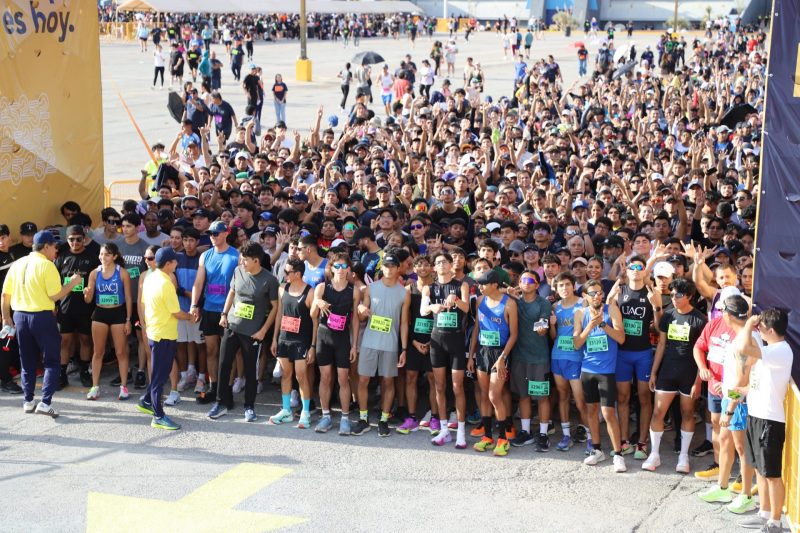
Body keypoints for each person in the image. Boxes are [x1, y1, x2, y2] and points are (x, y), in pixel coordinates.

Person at [1, 231, 83, 417]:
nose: (56, 250)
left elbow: (5, 294)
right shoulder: (47, 265)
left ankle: (28, 401)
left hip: (20, 316)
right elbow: (55, 295)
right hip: (42, 317)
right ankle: (45, 402)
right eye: (54, 247)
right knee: (52, 361)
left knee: (27, 360)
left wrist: (6, 317)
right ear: (46, 246)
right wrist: (73, 282)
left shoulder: (18, 263)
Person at [734, 309, 793, 532]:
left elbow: (743, 348)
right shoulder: (768, 351)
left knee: (772, 474)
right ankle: (765, 513)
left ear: (771, 330)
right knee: (759, 469)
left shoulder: (781, 351)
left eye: (761, 328)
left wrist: (749, 324)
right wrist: (732, 395)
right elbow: (752, 385)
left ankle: (775, 522)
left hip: (770, 421)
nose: (758, 331)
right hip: (756, 416)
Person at [207, 242, 278, 422]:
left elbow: (275, 307)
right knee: (224, 365)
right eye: (241, 259)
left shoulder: (269, 280)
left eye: (245, 260)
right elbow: (231, 292)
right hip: (232, 326)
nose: (242, 262)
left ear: (256, 260)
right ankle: (221, 402)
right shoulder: (238, 271)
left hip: (252, 332)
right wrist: (224, 314)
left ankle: (249, 406)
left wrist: (263, 331)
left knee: (250, 369)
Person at [643, 278, 707, 474]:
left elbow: (703, 352)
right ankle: (654, 454)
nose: (674, 298)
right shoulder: (668, 315)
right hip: (668, 371)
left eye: (678, 295)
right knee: (658, 412)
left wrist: (698, 381)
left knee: (687, 413)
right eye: (671, 295)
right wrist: (654, 372)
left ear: (689, 296)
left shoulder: (700, 319)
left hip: (690, 372)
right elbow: (661, 344)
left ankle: (683, 455)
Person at [607, 255, 660, 459]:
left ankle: (642, 443)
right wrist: (615, 287)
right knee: (622, 397)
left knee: (645, 397)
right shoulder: (620, 290)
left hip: (643, 353)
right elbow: (607, 308)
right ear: (627, 271)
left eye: (640, 267)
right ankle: (624, 441)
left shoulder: (651, 292)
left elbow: (659, 327)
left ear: (645, 271)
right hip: (622, 353)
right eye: (632, 267)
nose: (636, 270)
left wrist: (656, 307)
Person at [353, 252, 410, 437]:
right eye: (386, 266)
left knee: (388, 381)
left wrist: (404, 349)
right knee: (363, 379)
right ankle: (363, 418)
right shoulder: (371, 288)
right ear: (382, 267)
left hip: (390, 343)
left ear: (398, 268)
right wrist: (361, 309)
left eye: (393, 266)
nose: (389, 269)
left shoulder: (404, 293)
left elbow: (404, 323)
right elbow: (362, 316)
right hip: (369, 341)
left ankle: (384, 420)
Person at [135, 247, 193, 430]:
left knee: (161, 371)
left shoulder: (150, 278)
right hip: (164, 335)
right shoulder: (166, 283)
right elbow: (176, 312)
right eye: (175, 261)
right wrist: (191, 316)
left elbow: (144, 304)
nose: (177, 263)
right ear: (168, 264)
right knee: (159, 378)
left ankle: (146, 401)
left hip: (155, 332)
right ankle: (158, 416)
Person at [573, 279, 627, 472]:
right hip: (587, 370)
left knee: (608, 412)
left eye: (599, 292)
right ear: (585, 296)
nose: (597, 296)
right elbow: (576, 343)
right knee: (591, 411)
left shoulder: (611, 310)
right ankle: (596, 450)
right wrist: (590, 326)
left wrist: (603, 325)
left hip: (607, 371)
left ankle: (618, 454)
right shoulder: (580, 313)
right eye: (593, 293)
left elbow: (621, 338)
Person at [420, 252, 470, 448]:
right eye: (438, 262)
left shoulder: (461, 285)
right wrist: (432, 307)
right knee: (439, 386)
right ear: (434, 267)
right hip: (437, 339)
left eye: (444, 262)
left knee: (458, 387)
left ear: (451, 265)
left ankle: (461, 432)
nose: (441, 265)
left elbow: (466, 308)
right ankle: (444, 430)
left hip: (456, 339)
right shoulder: (428, 288)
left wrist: (455, 299)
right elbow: (423, 310)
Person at [469, 269, 518, 456]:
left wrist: (502, 358)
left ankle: (503, 439)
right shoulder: (480, 301)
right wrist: (471, 355)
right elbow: (476, 329)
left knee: (494, 395)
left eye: (483, 284)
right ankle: (488, 436)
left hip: (500, 353)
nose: (480, 287)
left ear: (495, 285)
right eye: (479, 284)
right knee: (484, 395)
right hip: (483, 351)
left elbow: (514, 334)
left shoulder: (509, 304)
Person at [310, 251, 360, 435]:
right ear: (331, 268)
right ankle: (326, 416)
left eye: (344, 266)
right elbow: (313, 316)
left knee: (343, 379)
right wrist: (317, 303)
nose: (340, 269)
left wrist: (354, 345)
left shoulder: (353, 290)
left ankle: (345, 418)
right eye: (337, 266)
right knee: (325, 378)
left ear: (348, 269)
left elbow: (355, 320)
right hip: (324, 336)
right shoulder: (322, 288)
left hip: (342, 338)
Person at [191, 221, 239, 404]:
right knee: (211, 350)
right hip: (209, 309)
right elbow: (198, 283)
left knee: (228, 354)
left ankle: (226, 391)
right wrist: (194, 305)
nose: (212, 236)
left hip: (228, 311)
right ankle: (214, 388)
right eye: (210, 233)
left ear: (226, 233)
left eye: (216, 233)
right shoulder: (205, 256)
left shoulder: (236, 255)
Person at [269, 257, 316, 428]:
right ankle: (286, 410)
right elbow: (279, 315)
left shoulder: (310, 292)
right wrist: (274, 339)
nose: (285, 275)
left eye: (287, 272)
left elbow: (315, 321)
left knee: (301, 376)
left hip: (301, 340)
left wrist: (313, 346)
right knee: (286, 375)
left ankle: (306, 412)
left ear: (298, 274)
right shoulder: (282, 288)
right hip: (284, 339)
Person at [83, 242, 133, 401]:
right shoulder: (94, 273)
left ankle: (124, 387)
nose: (103, 257)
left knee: (120, 352)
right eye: (101, 254)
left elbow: (128, 297)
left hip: (118, 313)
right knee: (98, 352)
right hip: (100, 313)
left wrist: (128, 320)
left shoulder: (122, 273)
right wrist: (87, 294)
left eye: (107, 254)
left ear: (114, 256)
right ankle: (95, 387)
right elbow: (88, 300)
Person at [510, 270, 553, 451]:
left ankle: (543, 434)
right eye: (523, 280)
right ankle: (526, 431)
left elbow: (543, 324)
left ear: (537, 284)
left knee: (542, 396)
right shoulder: (514, 302)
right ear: (519, 283)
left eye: (530, 280)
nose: (526, 282)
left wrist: (543, 328)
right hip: (519, 356)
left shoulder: (543, 303)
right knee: (523, 395)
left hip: (539, 357)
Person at [54, 225, 99, 390]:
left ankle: (84, 371)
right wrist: (54, 305)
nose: (75, 242)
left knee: (85, 340)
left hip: (86, 308)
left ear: (84, 239)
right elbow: (54, 284)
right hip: (65, 309)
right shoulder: (61, 258)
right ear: (67, 240)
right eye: (71, 239)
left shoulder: (93, 258)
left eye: (78, 239)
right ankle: (62, 374)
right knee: (65, 341)